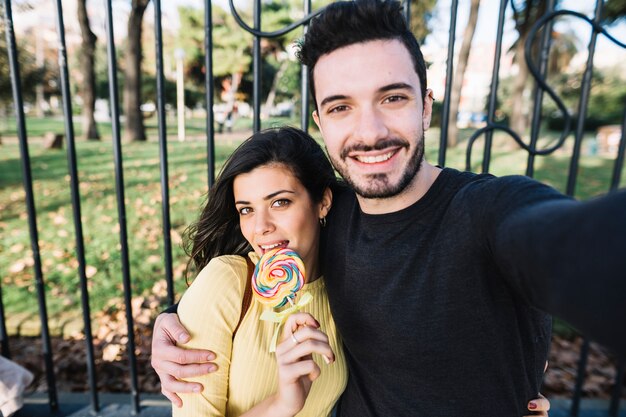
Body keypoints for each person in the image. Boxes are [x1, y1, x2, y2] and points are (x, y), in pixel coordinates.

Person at [151, 0, 626, 416]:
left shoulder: (490, 211)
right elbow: (247, 251)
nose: (370, 131)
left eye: (393, 97)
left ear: (425, 105)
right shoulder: (326, 214)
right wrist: (173, 322)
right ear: (320, 121)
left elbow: (572, 245)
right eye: (341, 107)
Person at [172, 127, 347, 416]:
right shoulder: (226, 283)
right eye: (246, 209)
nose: (260, 227)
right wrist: (282, 404)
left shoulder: (344, 289)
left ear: (323, 202)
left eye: (280, 202)